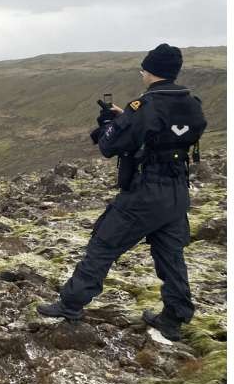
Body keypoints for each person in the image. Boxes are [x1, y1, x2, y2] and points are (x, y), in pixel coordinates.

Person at [37, 44, 206, 341]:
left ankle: (70, 304)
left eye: (143, 69)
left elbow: (109, 146)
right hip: (178, 191)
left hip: (145, 193)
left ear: (149, 71)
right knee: (171, 256)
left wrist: (113, 124)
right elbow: (166, 133)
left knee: (104, 244)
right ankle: (174, 318)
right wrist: (125, 117)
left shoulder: (144, 106)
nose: (141, 73)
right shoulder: (191, 102)